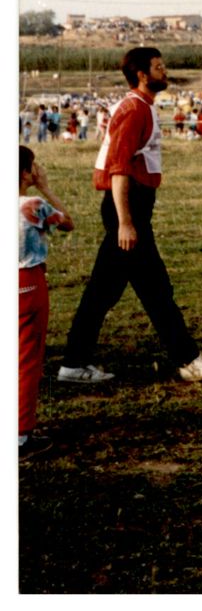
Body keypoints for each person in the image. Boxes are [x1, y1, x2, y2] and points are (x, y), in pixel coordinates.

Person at [59, 47, 202, 385]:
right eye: (159, 67)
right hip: (128, 207)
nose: (165, 71)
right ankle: (189, 360)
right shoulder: (134, 110)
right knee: (153, 290)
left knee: (112, 292)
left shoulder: (142, 107)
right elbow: (118, 169)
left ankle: (74, 363)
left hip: (132, 208)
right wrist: (125, 222)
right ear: (142, 75)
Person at [20, 147, 74, 457]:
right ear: (27, 173)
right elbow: (67, 223)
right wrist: (46, 188)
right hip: (27, 282)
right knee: (27, 362)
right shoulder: (33, 205)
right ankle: (20, 435)